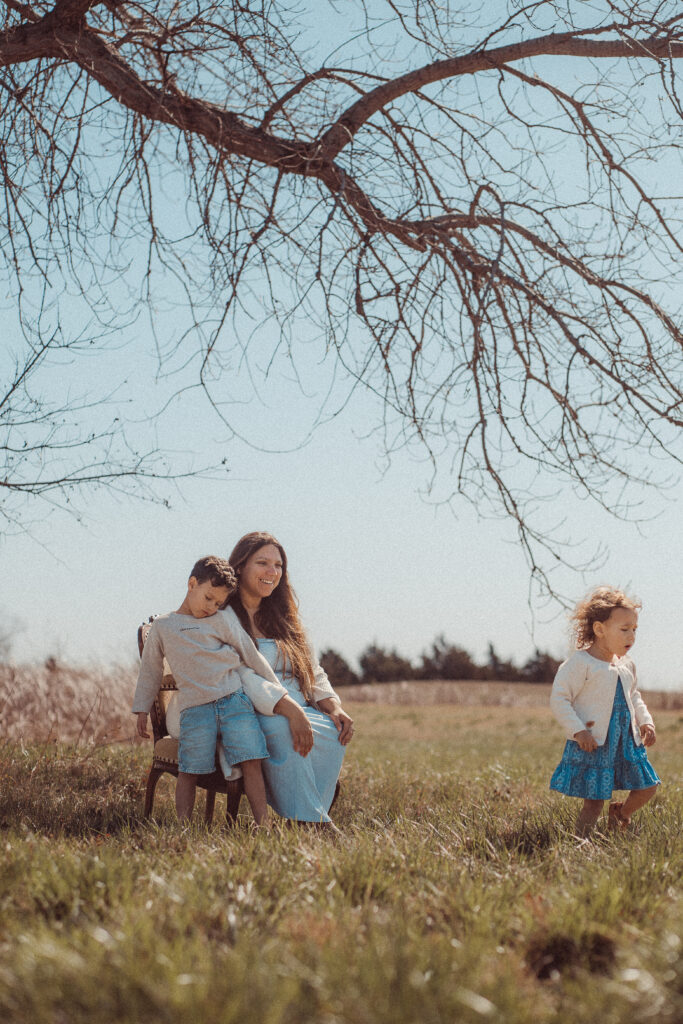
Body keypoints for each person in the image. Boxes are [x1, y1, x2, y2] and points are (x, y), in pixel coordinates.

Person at [133, 555, 313, 825]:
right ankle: (183, 828)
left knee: (252, 759)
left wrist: (276, 690)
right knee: (189, 769)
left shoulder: (222, 620)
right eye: (208, 598)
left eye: (218, 602)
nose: (211, 607)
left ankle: (262, 825)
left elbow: (251, 655)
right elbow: (150, 670)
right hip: (195, 709)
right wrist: (141, 710)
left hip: (234, 703)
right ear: (192, 584)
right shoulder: (164, 626)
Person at [227, 532, 354, 829]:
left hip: (300, 704)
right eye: (262, 563)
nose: (272, 572)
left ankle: (309, 814)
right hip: (255, 708)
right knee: (284, 729)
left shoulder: (284, 616)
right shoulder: (224, 618)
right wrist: (289, 710)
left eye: (278, 565)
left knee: (335, 733)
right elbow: (241, 675)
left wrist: (333, 706)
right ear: (240, 566)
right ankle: (312, 823)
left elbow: (313, 670)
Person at [549, 586, 660, 837]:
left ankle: (621, 813)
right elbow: (560, 698)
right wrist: (578, 731)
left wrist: (647, 722)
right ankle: (581, 842)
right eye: (624, 629)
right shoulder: (581, 663)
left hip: (626, 742)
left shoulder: (627, 665)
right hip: (595, 743)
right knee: (594, 801)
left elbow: (634, 696)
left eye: (634, 629)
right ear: (599, 629)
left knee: (648, 786)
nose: (631, 635)